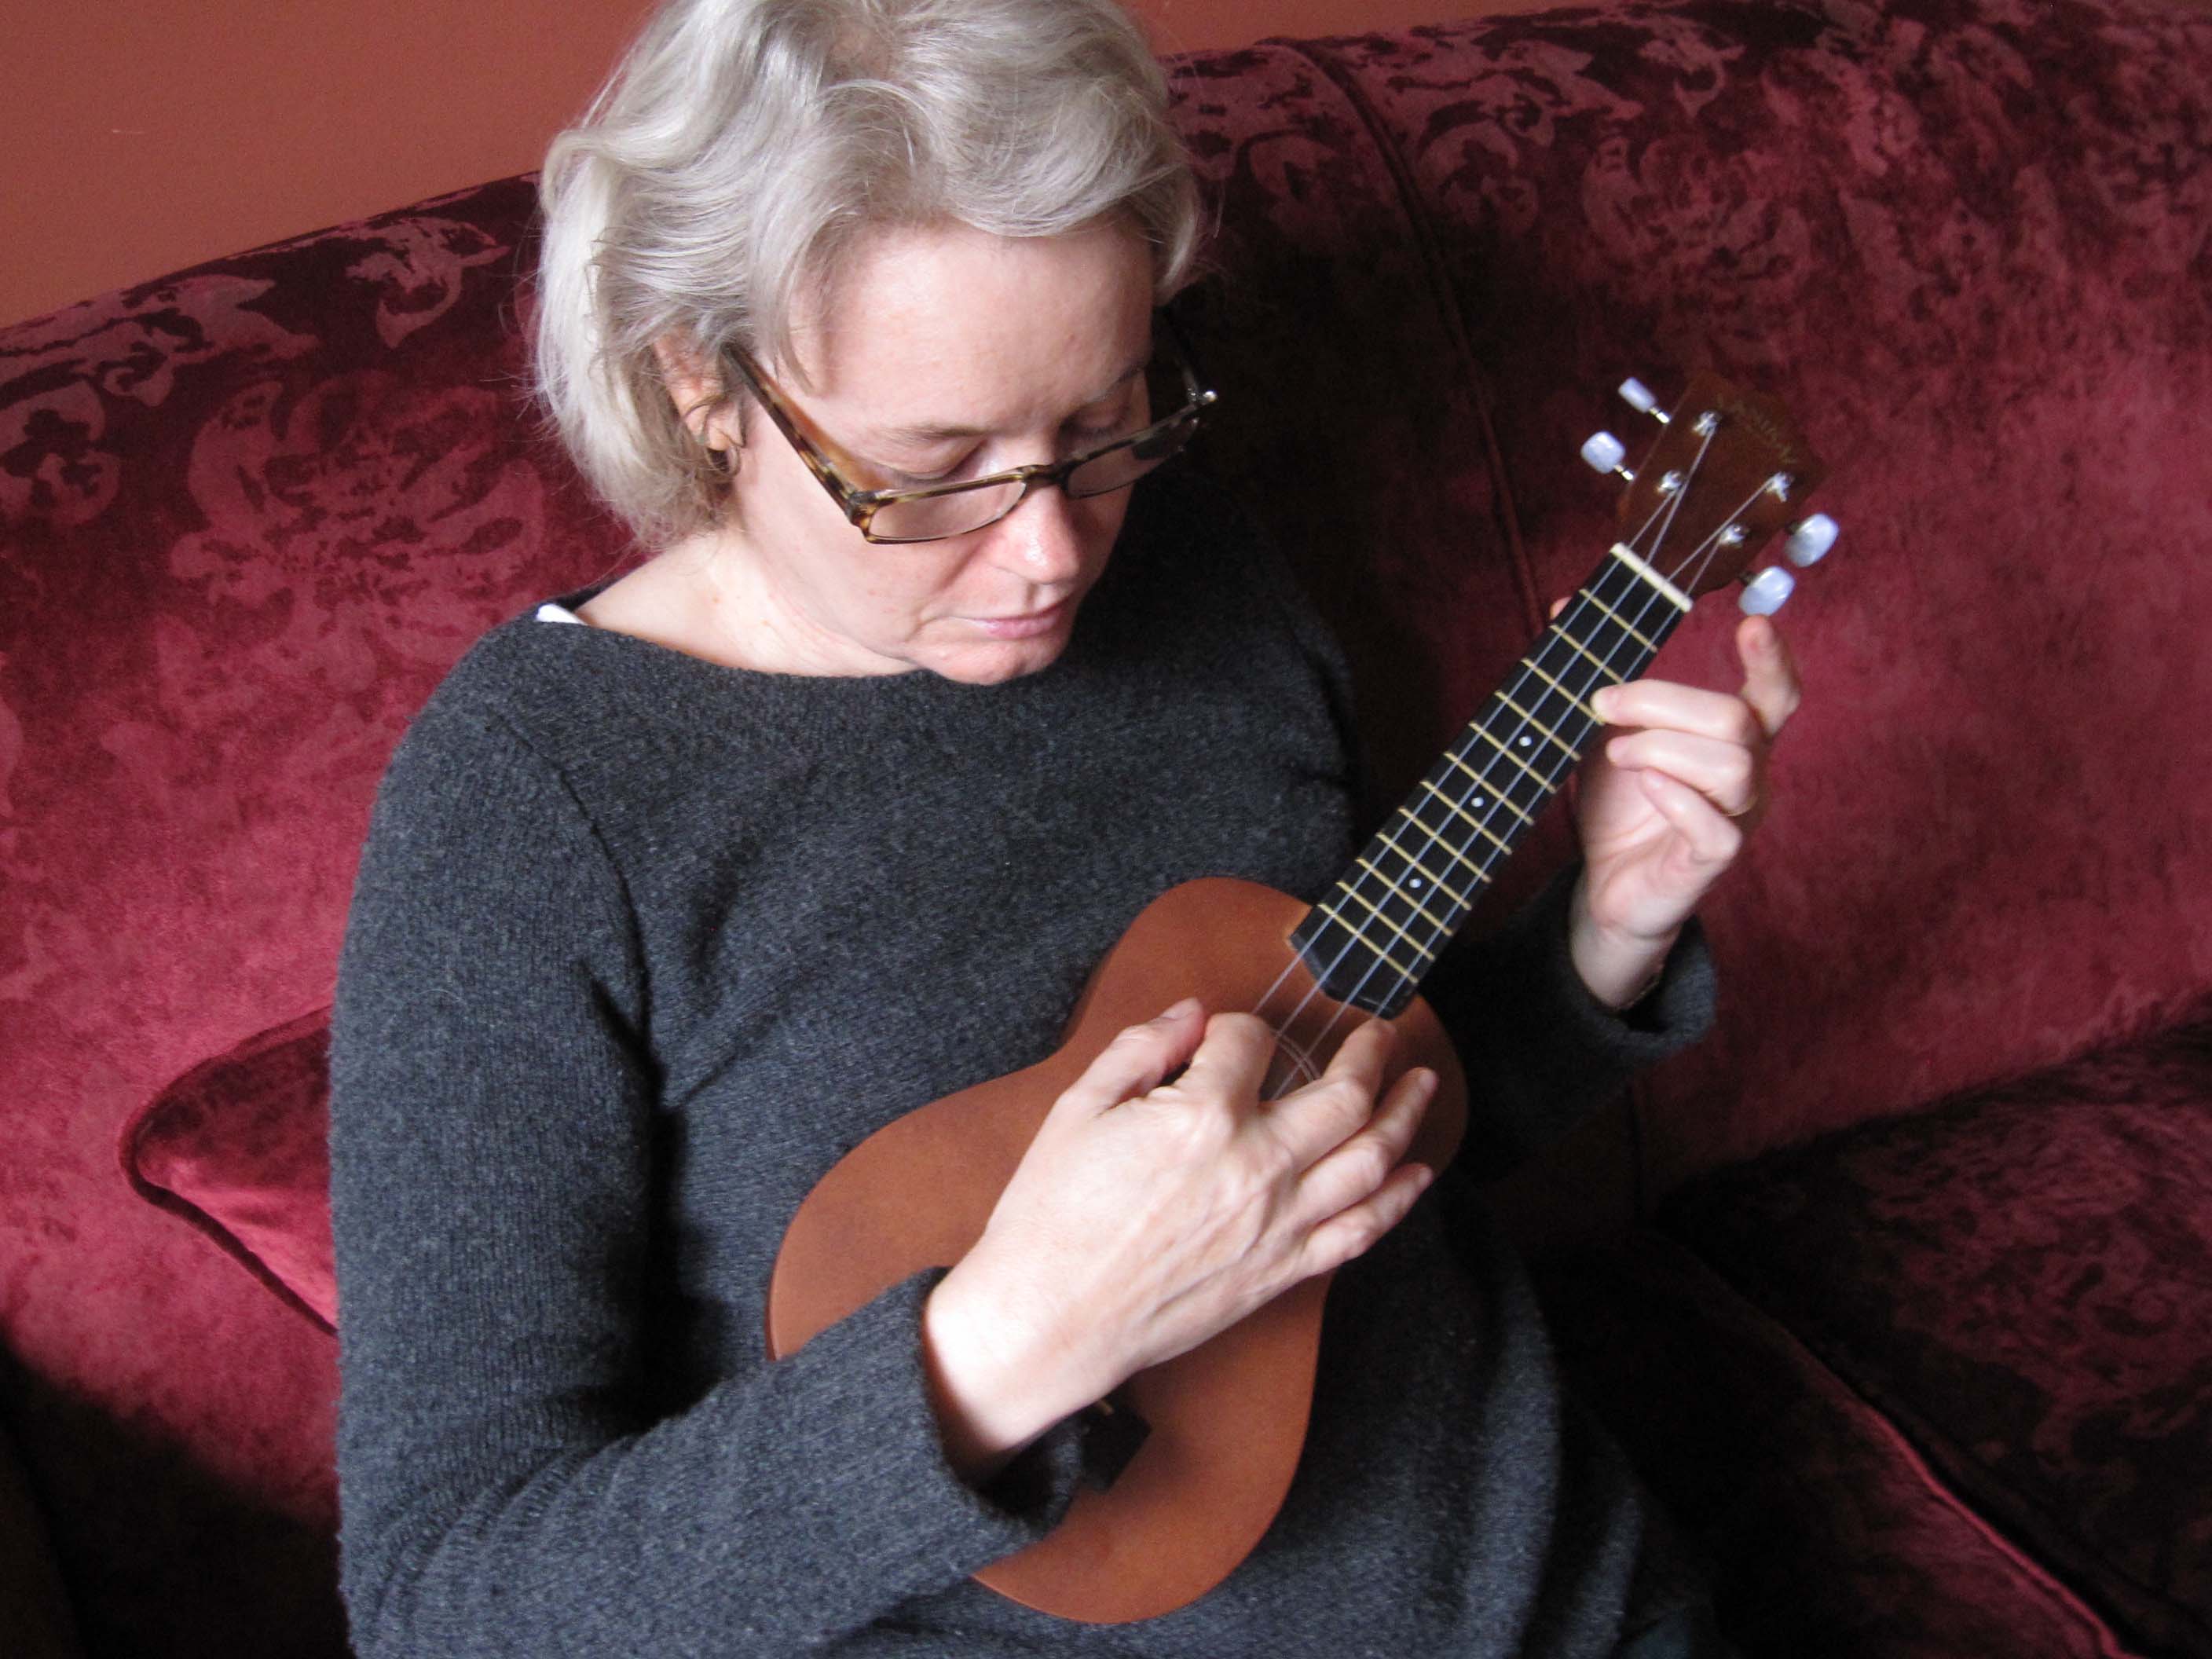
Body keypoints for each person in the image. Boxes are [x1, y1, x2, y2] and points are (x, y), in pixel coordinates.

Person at [328, 1, 1799, 1654]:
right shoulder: (534, 806)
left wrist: (1606, 936)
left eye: (1101, 421)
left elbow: (1355, 1147)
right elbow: (448, 1600)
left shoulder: (1205, 568)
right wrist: (1006, 1349)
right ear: (700, 382)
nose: (1050, 553)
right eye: (936, 465)